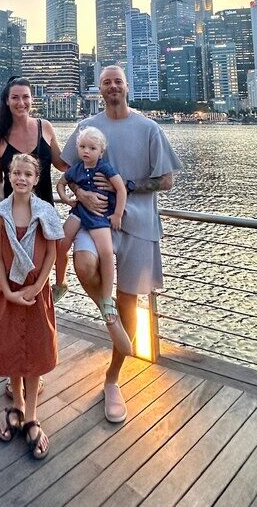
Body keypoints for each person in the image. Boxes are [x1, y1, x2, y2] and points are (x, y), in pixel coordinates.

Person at [61, 66, 182, 424]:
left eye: (118, 81)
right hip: (94, 221)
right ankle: (105, 311)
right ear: (99, 89)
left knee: (129, 302)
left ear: (127, 87)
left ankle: (113, 379)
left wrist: (125, 187)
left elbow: (167, 180)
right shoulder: (87, 128)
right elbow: (66, 172)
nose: (112, 86)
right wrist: (80, 193)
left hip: (138, 225)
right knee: (82, 265)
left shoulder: (149, 129)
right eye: (106, 82)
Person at [0, 76, 67, 400]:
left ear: (32, 100)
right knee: (10, 301)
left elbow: (63, 164)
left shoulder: (45, 128)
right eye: (15, 97)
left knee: (38, 300)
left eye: (26, 97)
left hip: (42, 227)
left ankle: (32, 366)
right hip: (13, 226)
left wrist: (94, 169)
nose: (21, 103)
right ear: (7, 101)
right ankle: (13, 375)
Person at [0, 153, 63, 460]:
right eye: (15, 173)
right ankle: (16, 405)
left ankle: (31, 415)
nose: (20, 178)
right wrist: (7, 290)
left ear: (36, 179)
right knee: (11, 351)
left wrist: (37, 286)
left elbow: (51, 256)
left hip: (35, 291)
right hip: (8, 290)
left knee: (35, 351)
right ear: (8, 175)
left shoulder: (45, 213)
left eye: (27, 174)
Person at [56, 126, 131, 356]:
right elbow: (60, 183)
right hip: (79, 213)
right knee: (60, 243)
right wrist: (67, 199)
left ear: (101, 151)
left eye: (92, 148)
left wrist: (117, 214)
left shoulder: (104, 168)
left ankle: (106, 298)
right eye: (82, 147)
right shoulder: (76, 170)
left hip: (99, 217)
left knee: (107, 253)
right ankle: (61, 282)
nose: (86, 151)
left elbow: (121, 189)